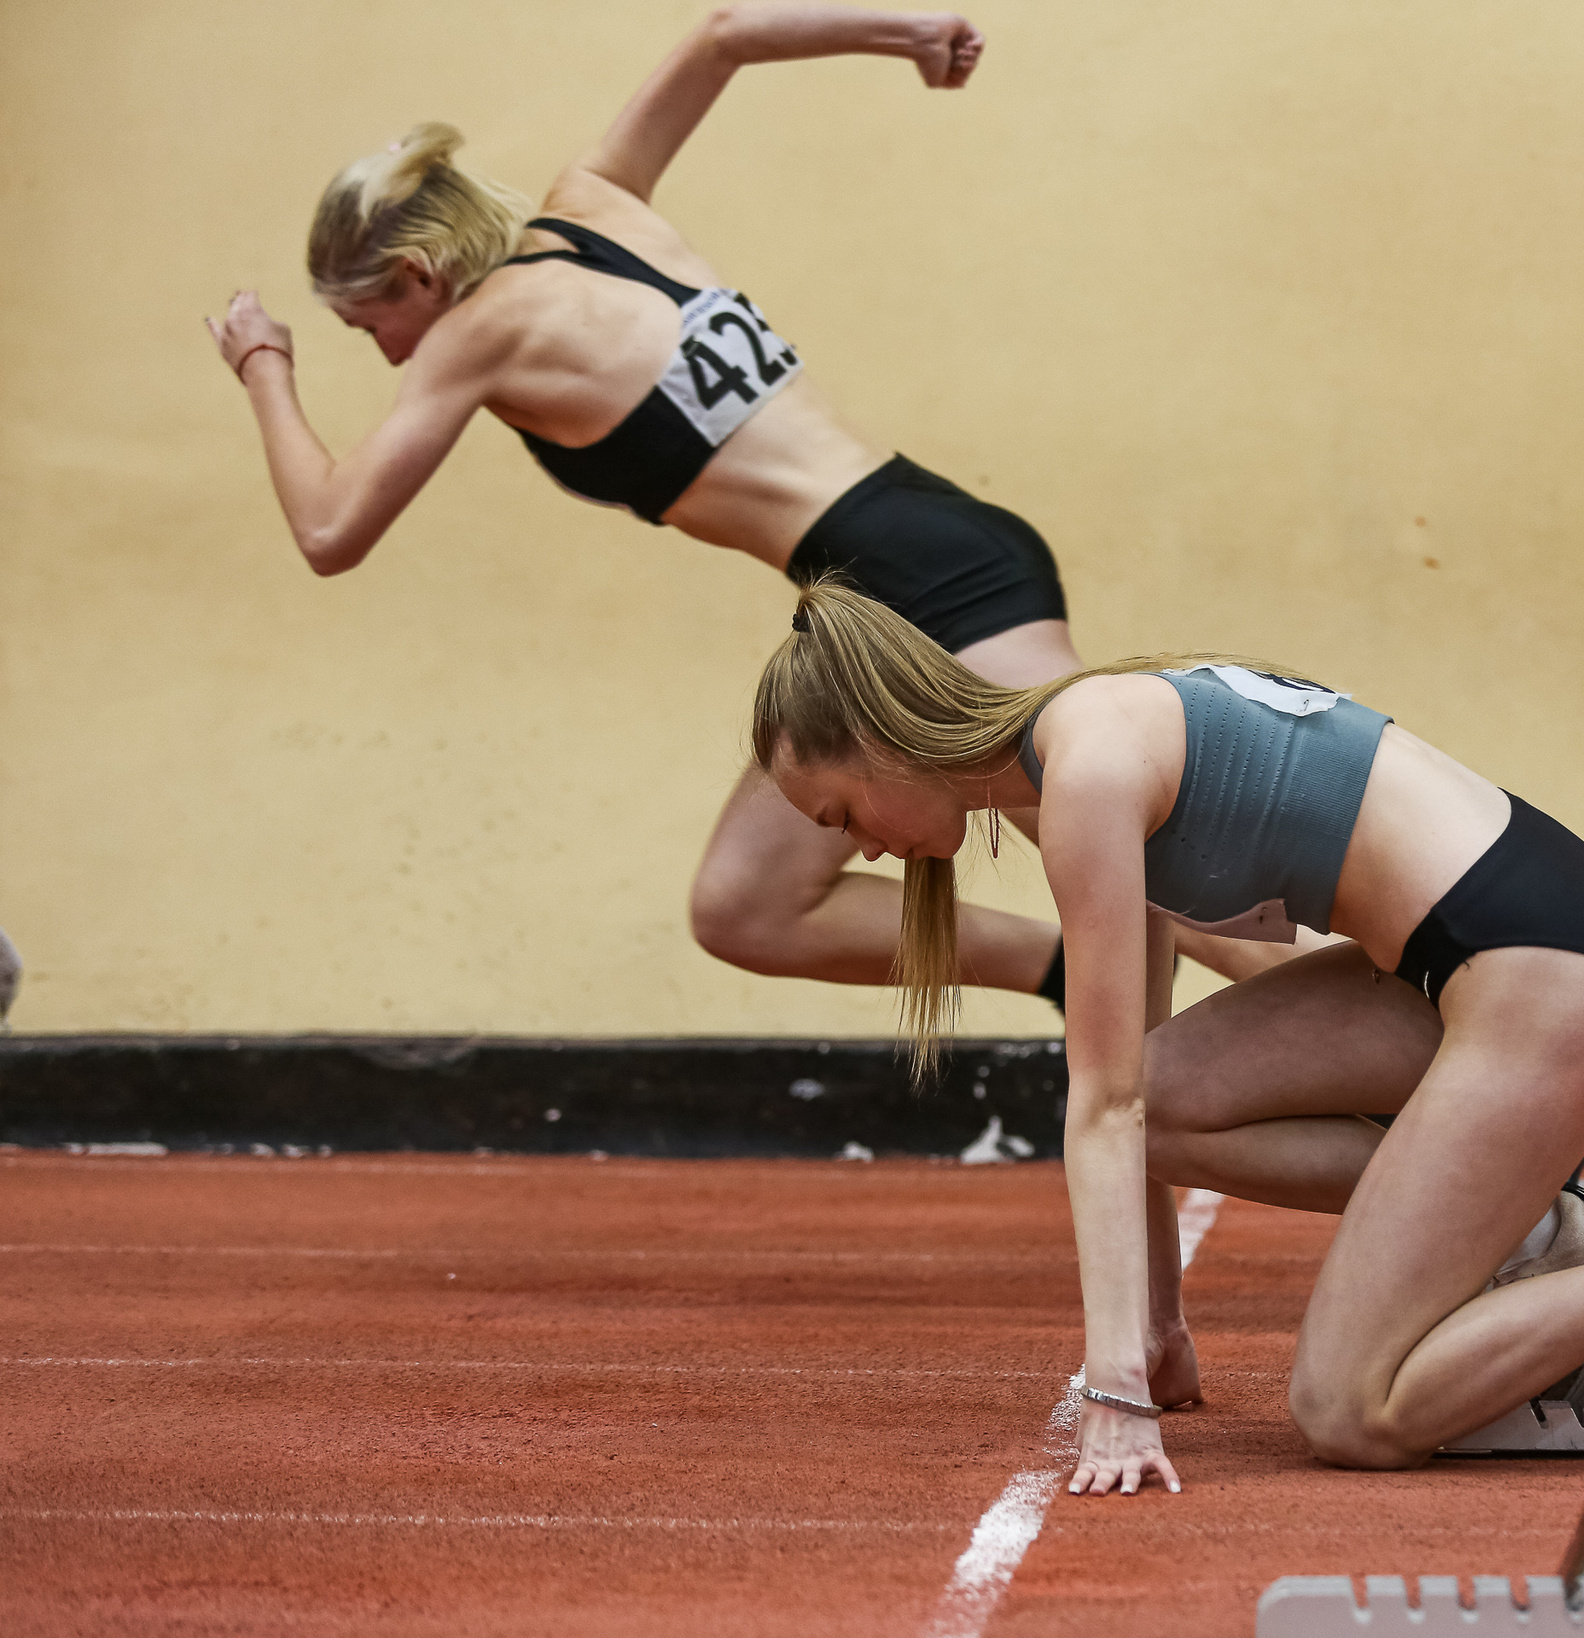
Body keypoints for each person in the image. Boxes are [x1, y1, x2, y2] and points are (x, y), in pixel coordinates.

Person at [202, 5, 1293, 1009]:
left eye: (370, 328)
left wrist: (265, 368)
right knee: (746, 903)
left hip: (920, 581)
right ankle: (1073, 973)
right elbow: (722, 34)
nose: (390, 355)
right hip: (904, 559)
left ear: (419, 274)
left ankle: (1374, 1020)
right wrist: (908, 29)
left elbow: (330, 531)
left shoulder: (478, 331)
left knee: (1145, 861)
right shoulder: (595, 203)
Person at [751, 581, 1584, 1494]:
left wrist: (1115, 1393)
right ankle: (1538, 1234)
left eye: (841, 815)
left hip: (1551, 971)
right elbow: (1138, 1080)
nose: (862, 851)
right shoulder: (1073, 752)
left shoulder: (1084, 769)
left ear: (881, 740)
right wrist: (1156, 1333)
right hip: (1468, 958)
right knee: (1170, 1096)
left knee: (1352, 1411)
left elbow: (1101, 1106)